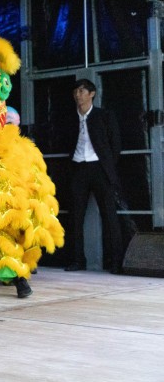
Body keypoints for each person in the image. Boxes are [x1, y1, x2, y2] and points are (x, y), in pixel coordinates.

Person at [64, 79, 124, 274]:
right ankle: (77, 260)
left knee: (109, 216)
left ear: (92, 94)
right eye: (76, 91)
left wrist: (107, 166)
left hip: (99, 168)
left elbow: (115, 145)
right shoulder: (71, 118)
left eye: (82, 91)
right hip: (78, 168)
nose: (78, 95)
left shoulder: (104, 115)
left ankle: (116, 262)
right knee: (76, 217)